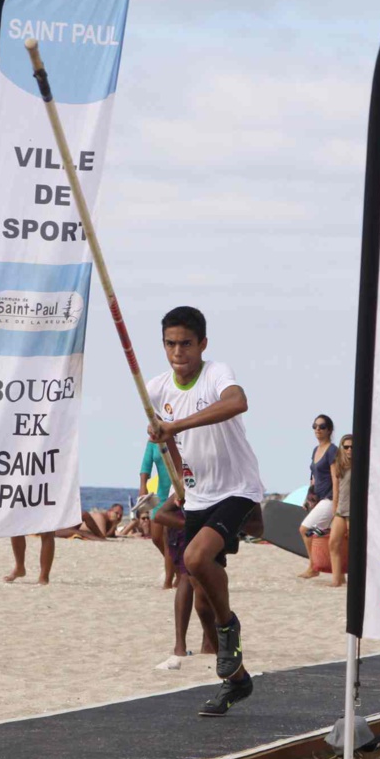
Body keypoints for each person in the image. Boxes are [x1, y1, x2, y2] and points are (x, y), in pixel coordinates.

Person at [147, 305, 264, 716]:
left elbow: (238, 402)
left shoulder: (216, 373)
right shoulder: (157, 388)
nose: (178, 351)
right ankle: (237, 681)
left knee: (195, 559)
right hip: (197, 494)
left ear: (202, 345)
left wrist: (176, 426)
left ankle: (229, 629)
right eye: (170, 343)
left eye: (186, 344)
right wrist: (179, 481)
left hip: (237, 488)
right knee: (199, 593)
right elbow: (166, 442)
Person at [154, 494, 218, 657]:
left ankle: (202, 644)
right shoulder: (187, 480)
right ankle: (185, 645)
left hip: (192, 515)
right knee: (190, 577)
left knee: (200, 577)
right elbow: (161, 515)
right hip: (190, 516)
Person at [298, 415, 338, 579]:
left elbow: (336, 478)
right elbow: (314, 477)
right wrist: (308, 498)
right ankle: (322, 566)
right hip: (319, 498)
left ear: (329, 429)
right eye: (315, 426)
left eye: (321, 426)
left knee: (305, 529)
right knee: (318, 534)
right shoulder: (316, 450)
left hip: (329, 498)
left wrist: (336, 503)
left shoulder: (332, 450)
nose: (317, 430)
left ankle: (313, 567)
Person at [138, 440, 175, 588]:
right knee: (156, 537)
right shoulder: (153, 440)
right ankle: (177, 568)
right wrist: (143, 487)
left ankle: (169, 581)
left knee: (168, 538)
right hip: (161, 493)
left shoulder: (179, 435)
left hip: (177, 492)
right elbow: (145, 465)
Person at [328, 434, 352, 588]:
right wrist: (334, 510)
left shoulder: (364, 465)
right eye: (346, 447)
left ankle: (351, 578)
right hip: (341, 510)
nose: (350, 450)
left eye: (353, 447)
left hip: (354, 511)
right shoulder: (338, 465)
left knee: (353, 546)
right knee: (333, 543)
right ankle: (337, 579)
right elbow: (335, 490)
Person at [54, 504, 124, 540]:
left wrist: (114, 525)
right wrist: (114, 524)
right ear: (109, 511)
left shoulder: (110, 522)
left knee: (79, 532)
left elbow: (110, 535)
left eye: (120, 515)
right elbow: (102, 535)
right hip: (68, 527)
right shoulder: (100, 516)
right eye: (116, 513)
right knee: (80, 531)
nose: (118, 516)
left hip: (72, 528)